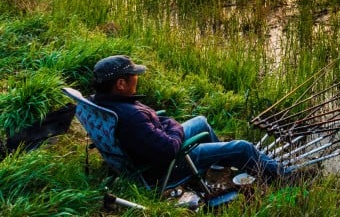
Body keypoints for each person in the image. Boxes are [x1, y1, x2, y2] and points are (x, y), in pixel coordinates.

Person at [91, 55, 287, 182]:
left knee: (200, 121)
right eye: (133, 75)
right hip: (165, 167)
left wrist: (167, 126)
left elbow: (153, 132)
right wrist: (175, 128)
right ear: (121, 83)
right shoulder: (131, 116)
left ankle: (218, 164)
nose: (137, 78)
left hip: (151, 145)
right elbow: (168, 149)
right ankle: (285, 177)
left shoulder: (102, 102)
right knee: (242, 147)